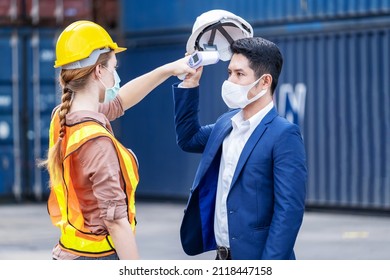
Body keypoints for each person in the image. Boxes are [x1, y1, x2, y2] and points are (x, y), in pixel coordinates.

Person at [39, 20, 195, 260]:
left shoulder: (62, 117)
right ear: (99, 72)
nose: (116, 74)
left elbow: (120, 101)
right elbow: (116, 222)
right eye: (114, 67)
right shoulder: (97, 142)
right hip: (98, 258)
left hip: (69, 251)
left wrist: (169, 69)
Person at [172, 36, 307, 260]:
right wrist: (190, 83)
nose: (230, 81)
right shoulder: (226, 123)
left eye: (239, 74)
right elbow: (188, 138)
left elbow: (289, 211)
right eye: (229, 73)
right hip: (222, 258)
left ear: (264, 82)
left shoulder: (284, 134)